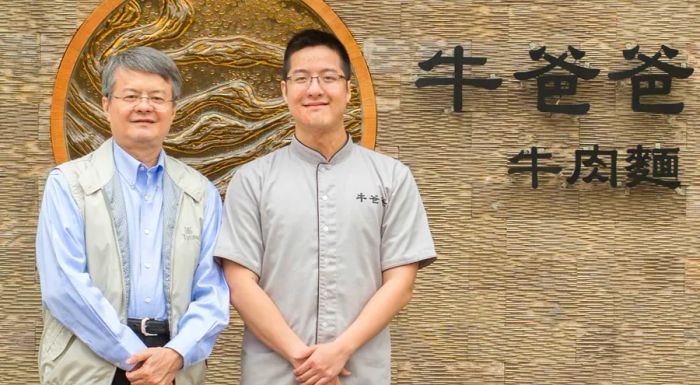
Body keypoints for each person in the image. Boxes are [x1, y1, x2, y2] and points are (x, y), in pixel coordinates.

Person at [215, 29, 436, 385]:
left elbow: (400, 281)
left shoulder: (391, 177)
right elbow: (240, 284)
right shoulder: (252, 179)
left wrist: (340, 350)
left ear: (349, 89)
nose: (315, 89)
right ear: (284, 90)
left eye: (328, 78)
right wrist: (304, 360)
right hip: (275, 373)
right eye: (301, 78)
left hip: (358, 372)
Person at [36, 46, 229, 385]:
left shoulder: (201, 193)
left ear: (173, 109)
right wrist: (135, 357)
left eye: (157, 97)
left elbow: (212, 293)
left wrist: (175, 353)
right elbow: (64, 286)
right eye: (131, 95)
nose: (144, 106)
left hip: (174, 365)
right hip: (90, 364)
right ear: (106, 104)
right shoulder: (69, 185)